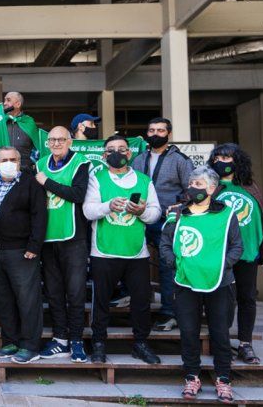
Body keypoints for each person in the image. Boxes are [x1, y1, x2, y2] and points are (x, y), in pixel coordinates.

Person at [160, 166, 242, 403]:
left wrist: (220, 265)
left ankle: (224, 379)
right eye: (191, 183)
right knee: (188, 331)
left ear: (212, 188)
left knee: (220, 333)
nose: (192, 187)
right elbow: (165, 243)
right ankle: (191, 376)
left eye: (198, 184)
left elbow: (237, 246)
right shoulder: (177, 213)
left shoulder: (226, 214)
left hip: (220, 282)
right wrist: (176, 264)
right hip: (185, 282)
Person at [83, 135, 161, 365]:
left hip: (136, 252)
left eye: (122, 149)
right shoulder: (96, 179)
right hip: (104, 251)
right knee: (101, 302)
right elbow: (88, 211)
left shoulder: (144, 180)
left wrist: (141, 212)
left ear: (129, 153)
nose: (117, 153)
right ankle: (98, 343)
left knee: (140, 301)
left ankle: (141, 343)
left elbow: (156, 212)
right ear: (104, 155)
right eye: (111, 150)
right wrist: (108, 206)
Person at [208, 143, 263, 364]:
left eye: (227, 158)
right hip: (220, 254)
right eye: (217, 158)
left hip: (248, 252)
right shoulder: (211, 186)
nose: (221, 162)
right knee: (223, 300)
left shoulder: (250, 186)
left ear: (238, 161)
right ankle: (221, 342)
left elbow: (262, 222)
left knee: (247, 298)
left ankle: (246, 344)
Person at [0, 147, 47, 364]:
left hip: (22, 251)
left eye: (12, 159)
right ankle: (10, 341)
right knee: (3, 299)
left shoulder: (31, 184)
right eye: (3, 160)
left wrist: (34, 247)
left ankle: (30, 345)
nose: (8, 163)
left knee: (28, 300)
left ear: (19, 162)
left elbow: (40, 217)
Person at [131, 117, 195, 331]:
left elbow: (192, 190)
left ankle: (169, 313)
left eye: (160, 130)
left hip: (166, 221)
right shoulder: (139, 159)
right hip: (139, 217)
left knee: (168, 265)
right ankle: (128, 298)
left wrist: (178, 207)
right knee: (129, 259)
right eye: (151, 130)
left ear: (169, 133)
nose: (155, 134)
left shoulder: (180, 160)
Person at [34, 126, 90, 363]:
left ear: (70, 141)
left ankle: (76, 340)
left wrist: (47, 182)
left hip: (73, 238)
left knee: (75, 292)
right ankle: (60, 340)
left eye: (61, 139)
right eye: (52, 140)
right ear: (47, 143)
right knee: (54, 292)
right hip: (47, 239)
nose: (56, 143)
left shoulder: (81, 163)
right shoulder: (40, 164)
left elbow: (78, 195)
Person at [3, 92, 38, 172]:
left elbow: (38, 147)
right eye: (4, 100)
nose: (5, 103)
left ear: (18, 104)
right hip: (3, 171)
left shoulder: (29, 122)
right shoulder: (0, 122)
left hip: (25, 171)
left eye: (8, 100)